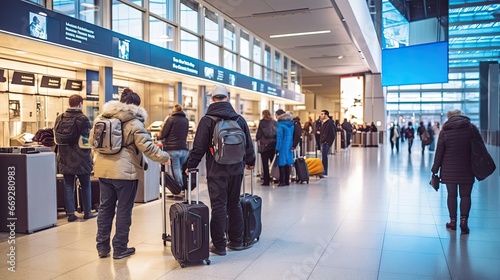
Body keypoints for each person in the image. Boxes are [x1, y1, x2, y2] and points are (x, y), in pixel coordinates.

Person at [93, 88, 170, 259]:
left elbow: (94, 142)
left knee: (105, 209)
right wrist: (164, 157)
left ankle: (102, 247)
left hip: (104, 170)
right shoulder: (134, 122)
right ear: (136, 105)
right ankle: (120, 248)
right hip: (125, 173)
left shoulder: (102, 118)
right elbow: (147, 146)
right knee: (123, 210)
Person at [186, 85, 255, 256]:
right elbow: (248, 144)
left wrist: (191, 165)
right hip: (237, 169)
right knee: (234, 203)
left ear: (212, 99)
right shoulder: (239, 119)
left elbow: (199, 147)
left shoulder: (207, 120)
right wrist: (250, 162)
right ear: (227, 98)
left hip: (216, 170)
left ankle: (219, 245)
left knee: (218, 206)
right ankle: (237, 241)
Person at [431, 110, 477, 235]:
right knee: (465, 196)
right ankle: (464, 222)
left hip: (449, 170)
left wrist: (435, 170)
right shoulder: (471, 129)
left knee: (452, 195)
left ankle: (452, 222)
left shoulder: (445, 131)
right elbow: (479, 147)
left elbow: (439, 153)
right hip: (467, 168)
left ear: (449, 118)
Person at [55, 94, 96, 222]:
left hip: (64, 156)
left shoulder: (60, 118)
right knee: (85, 184)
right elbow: (86, 140)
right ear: (80, 104)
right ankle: (87, 212)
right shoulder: (83, 119)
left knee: (68, 185)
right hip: (81, 157)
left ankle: (70, 214)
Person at [159, 104, 189, 187]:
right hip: (183, 149)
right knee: (181, 169)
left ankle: (179, 187)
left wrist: (163, 125)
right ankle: (185, 187)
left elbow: (163, 134)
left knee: (176, 169)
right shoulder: (186, 120)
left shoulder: (170, 119)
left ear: (173, 110)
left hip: (172, 149)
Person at [256, 109, 276, 186]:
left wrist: (258, 139)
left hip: (264, 146)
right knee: (273, 163)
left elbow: (259, 134)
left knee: (265, 164)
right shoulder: (274, 122)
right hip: (273, 145)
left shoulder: (262, 122)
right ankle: (275, 178)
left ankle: (266, 181)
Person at [275, 109, 294, 186]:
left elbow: (279, 138)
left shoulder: (280, 125)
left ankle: (281, 181)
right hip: (289, 146)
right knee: (288, 163)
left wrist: (277, 148)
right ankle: (287, 181)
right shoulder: (291, 125)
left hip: (282, 147)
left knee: (282, 163)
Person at [319, 110, 336, 176]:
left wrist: (328, 141)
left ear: (326, 115)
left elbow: (332, 133)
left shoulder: (330, 123)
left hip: (326, 142)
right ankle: (323, 170)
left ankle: (324, 171)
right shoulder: (324, 122)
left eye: (322, 114)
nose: (321, 115)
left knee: (324, 157)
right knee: (323, 156)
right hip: (324, 142)